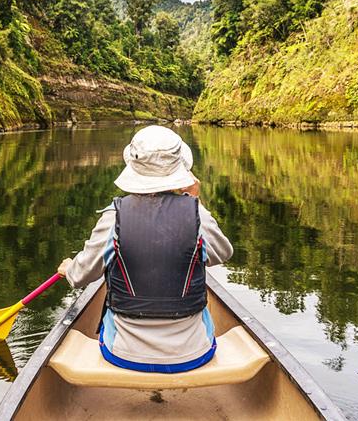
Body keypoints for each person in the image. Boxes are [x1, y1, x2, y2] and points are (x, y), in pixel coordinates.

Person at [57, 125, 233, 373]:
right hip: (194, 352)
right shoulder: (197, 215)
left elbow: (80, 276)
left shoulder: (112, 218)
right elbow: (223, 253)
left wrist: (69, 268)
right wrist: (194, 203)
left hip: (122, 353)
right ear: (181, 168)